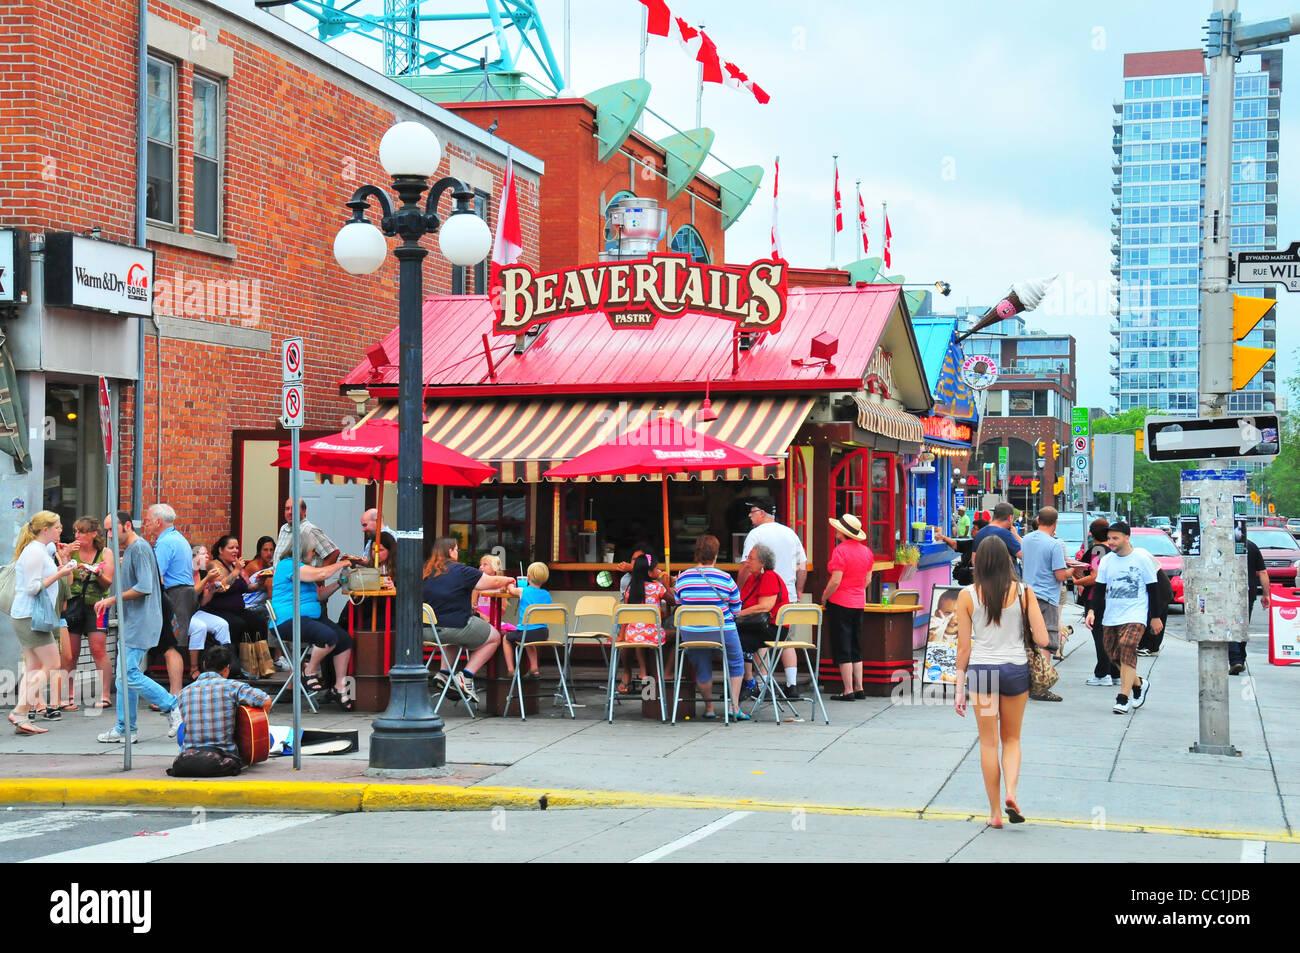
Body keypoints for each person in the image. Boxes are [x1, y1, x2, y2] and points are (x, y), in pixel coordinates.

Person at [954, 537, 1050, 828]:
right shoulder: (1024, 592)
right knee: (1012, 739)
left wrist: (959, 687)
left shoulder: (967, 595)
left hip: (982, 671)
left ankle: (995, 813)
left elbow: (963, 648)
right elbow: (1044, 639)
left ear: (978, 561)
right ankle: (1011, 791)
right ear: (1008, 561)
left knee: (987, 743)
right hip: (1015, 670)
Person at [93, 511, 183, 743]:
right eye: (107, 530)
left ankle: (172, 705)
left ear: (127, 526)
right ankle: (126, 728)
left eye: (113, 529)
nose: (109, 534)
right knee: (124, 677)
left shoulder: (140, 548)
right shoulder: (135, 550)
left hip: (141, 621)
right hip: (134, 621)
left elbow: (144, 587)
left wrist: (111, 600)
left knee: (128, 676)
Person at [7, 512, 78, 733]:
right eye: (56, 527)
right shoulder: (35, 551)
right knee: (52, 664)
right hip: (31, 616)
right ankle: (19, 712)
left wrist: (61, 569)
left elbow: (38, 580)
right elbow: (32, 587)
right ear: (44, 529)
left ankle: (23, 718)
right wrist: (61, 573)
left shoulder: (38, 551)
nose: (60, 530)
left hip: (28, 615)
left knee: (34, 667)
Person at [421, 537, 515, 706]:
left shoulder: (425, 572)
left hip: (428, 630)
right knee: (493, 637)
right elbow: (490, 581)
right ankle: (466, 675)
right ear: (450, 551)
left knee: (454, 639)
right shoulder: (461, 571)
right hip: (455, 626)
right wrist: (508, 580)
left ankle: (443, 674)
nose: (457, 552)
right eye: (456, 549)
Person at [1085, 522, 1162, 715]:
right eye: (1109, 538)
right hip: (1112, 615)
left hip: (1136, 614)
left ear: (1127, 537)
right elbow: (1099, 590)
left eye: (1115, 538)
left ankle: (1123, 698)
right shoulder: (1107, 561)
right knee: (1113, 655)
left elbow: (1154, 589)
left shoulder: (1141, 558)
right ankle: (1139, 684)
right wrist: (1092, 611)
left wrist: (1155, 617)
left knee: (1127, 645)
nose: (1111, 542)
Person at [270, 542, 356, 709]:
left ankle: (340, 686)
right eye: (312, 551)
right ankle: (309, 670)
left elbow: (319, 597)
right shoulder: (288, 565)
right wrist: (343, 563)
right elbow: (323, 573)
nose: (315, 555)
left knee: (344, 639)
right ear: (301, 551)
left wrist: (339, 583)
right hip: (288, 620)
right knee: (328, 637)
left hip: (310, 617)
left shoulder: (305, 570)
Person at [673, 535, 746, 720]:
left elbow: (678, 603)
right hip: (723, 631)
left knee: (702, 668)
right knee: (737, 663)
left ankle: (710, 708)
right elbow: (736, 609)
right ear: (716, 555)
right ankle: (734, 706)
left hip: (692, 632)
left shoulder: (683, 578)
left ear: (696, 554)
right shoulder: (726, 578)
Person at [175, 644, 271, 763]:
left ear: (204, 664)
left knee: (181, 729)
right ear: (227, 669)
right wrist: (254, 726)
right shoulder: (233, 686)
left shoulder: (183, 692)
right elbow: (266, 701)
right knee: (269, 737)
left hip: (190, 756)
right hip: (224, 755)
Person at [60, 515, 114, 710]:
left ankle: (105, 694)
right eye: (75, 531)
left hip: (98, 604)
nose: (77, 535)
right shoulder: (70, 552)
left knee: (98, 648)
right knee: (70, 652)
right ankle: (69, 694)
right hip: (73, 604)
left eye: (82, 531)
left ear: (93, 534)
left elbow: (108, 582)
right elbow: (66, 584)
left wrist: (96, 572)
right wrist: (65, 559)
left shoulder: (104, 553)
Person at [1019, 507, 1070, 703]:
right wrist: (1071, 571)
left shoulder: (1028, 539)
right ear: (1055, 523)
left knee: (1027, 640)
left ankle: (1024, 680)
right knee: (1046, 640)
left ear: (1038, 519)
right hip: (1047, 596)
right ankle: (1041, 685)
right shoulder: (1054, 544)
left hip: (1026, 594)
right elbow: (1059, 575)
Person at [822, 513, 874, 702]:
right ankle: (860, 687)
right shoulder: (866, 552)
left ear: (842, 532)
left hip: (840, 602)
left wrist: (825, 597)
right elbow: (868, 579)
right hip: (858, 602)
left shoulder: (840, 551)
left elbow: (835, 580)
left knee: (842, 645)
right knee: (855, 645)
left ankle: (848, 689)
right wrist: (856, 590)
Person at [205, 535, 271, 668]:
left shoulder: (236, 566)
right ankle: (234, 664)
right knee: (238, 624)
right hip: (219, 610)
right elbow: (221, 587)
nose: (235, 551)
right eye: (231, 548)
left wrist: (260, 583)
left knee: (259, 622)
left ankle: (258, 663)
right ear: (221, 550)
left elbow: (247, 587)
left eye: (237, 548)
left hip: (238, 609)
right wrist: (236, 570)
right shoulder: (214, 565)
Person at [148, 504, 197, 680]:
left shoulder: (165, 542)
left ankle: (171, 689)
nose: (146, 525)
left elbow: (155, 573)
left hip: (175, 594)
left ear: (158, 522)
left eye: (148, 521)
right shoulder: (178, 538)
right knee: (176, 641)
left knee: (172, 643)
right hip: (183, 592)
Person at [734, 543, 789, 699]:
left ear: (763, 563)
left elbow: (765, 607)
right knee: (733, 639)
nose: (747, 562)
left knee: (735, 641)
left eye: (751, 559)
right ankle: (750, 683)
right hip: (756, 626)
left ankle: (748, 683)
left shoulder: (769, 576)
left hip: (772, 628)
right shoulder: (752, 578)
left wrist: (738, 614)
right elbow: (741, 601)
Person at [1074, 518, 1119, 686]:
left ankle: (1102, 673)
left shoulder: (1098, 550)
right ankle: (1116, 672)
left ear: (1091, 534)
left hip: (1096, 598)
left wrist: (1075, 581)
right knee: (1112, 636)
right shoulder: (1112, 550)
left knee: (1100, 636)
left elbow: (1095, 576)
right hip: (1112, 597)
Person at [617, 553, 669, 692]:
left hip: (633, 635)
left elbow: (625, 614)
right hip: (653, 636)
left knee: (639, 634)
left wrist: (622, 634)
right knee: (676, 636)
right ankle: (665, 675)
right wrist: (666, 585)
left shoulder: (630, 588)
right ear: (648, 571)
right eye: (656, 569)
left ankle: (643, 673)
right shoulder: (658, 587)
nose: (659, 572)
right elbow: (674, 601)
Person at [738, 498, 807, 601]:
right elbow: (802, 565)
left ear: (762, 513)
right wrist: (799, 590)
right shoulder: (790, 533)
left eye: (752, 512)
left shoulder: (755, 534)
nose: (749, 515)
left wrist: (740, 592)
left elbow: (747, 566)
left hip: (763, 597)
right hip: (789, 596)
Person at [504, 561, 549, 680]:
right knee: (529, 642)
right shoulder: (546, 594)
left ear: (528, 577)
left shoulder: (522, 591)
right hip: (543, 633)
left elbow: (511, 590)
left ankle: (510, 670)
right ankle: (534, 668)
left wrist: (510, 583)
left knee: (506, 639)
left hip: (527, 633)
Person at [1232, 537, 1271, 675]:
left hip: (1227, 592)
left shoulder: (1221, 542)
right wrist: (1266, 594)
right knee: (1242, 625)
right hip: (1247, 593)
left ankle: (1236, 659)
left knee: (1231, 625)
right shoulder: (1251, 546)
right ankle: (1240, 658)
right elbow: (1263, 572)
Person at [274, 498, 340, 566]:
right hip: (279, 575)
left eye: (294, 509)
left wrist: (320, 574)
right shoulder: (283, 528)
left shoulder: (310, 530)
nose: (290, 512)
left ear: (304, 511)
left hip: (301, 576)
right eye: (287, 509)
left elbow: (334, 553)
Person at [974, 502, 1023, 568]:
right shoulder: (1005, 534)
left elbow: (974, 560)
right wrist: (1016, 536)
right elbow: (1023, 555)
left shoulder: (980, 533)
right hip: (1003, 576)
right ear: (1010, 518)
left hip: (983, 576)